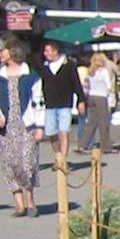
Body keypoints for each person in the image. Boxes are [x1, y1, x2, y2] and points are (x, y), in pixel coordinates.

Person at [0, 36, 46, 218]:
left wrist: (40, 126)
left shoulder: (30, 75)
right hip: (6, 128)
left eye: (2, 50)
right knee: (10, 165)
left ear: (13, 51)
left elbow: (39, 101)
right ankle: (19, 205)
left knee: (27, 163)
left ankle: (30, 201)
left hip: (27, 126)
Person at [37, 40, 84, 172]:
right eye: (45, 51)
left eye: (48, 51)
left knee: (64, 132)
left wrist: (81, 100)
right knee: (51, 133)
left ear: (55, 51)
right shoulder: (44, 67)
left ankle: (63, 160)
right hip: (49, 104)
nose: (45, 54)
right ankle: (57, 155)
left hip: (65, 103)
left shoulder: (68, 65)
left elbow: (76, 83)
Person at [80, 51, 118, 153]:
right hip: (101, 97)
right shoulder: (103, 71)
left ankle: (82, 145)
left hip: (91, 97)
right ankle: (106, 146)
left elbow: (86, 85)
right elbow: (108, 86)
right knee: (103, 123)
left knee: (91, 123)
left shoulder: (90, 71)